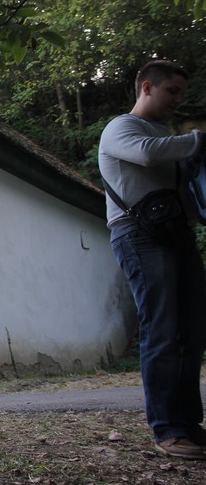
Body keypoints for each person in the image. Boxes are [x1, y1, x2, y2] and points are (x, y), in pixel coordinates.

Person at [98, 59, 206, 460]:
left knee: (192, 332)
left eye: (181, 93)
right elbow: (145, 154)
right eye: (171, 91)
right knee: (162, 330)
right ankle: (167, 430)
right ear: (146, 87)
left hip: (178, 236)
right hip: (139, 236)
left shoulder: (170, 137)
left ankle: (189, 426)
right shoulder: (121, 128)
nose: (178, 100)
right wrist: (198, 140)